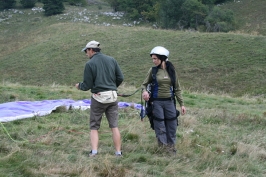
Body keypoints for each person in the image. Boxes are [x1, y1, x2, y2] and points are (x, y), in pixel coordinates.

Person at [75, 40, 124, 157]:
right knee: (114, 126)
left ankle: (94, 152)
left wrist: (79, 86)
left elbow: (87, 85)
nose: (86, 54)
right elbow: (120, 77)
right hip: (112, 97)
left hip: (98, 98)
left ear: (91, 50)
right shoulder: (112, 60)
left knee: (94, 126)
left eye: (86, 51)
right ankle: (118, 152)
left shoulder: (90, 64)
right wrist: (112, 87)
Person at [141, 46, 186, 154]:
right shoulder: (153, 71)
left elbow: (177, 88)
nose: (153, 61)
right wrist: (145, 91)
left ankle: (171, 148)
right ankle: (163, 148)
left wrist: (182, 104)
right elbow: (144, 84)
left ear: (162, 58)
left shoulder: (172, 71)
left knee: (172, 124)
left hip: (170, 101)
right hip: (156, 102)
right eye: (152, 59)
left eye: (155, 58)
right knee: (159, 124)